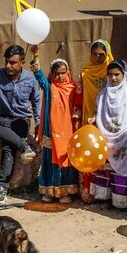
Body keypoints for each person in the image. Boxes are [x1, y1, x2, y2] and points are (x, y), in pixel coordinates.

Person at [0, 45, 42, 206]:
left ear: (22, 62)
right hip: (0, 120)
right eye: (7, 62)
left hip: (20, 122)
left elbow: (36, 101)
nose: (8, 66)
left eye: (13, 62)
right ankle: (24, 146)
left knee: (8, 147)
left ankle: (1, 188)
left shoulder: (30, 79)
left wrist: (38, 124)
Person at [30, 46, 81, 204]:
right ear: (52, 74)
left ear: (67, 72)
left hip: (67, 132)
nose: (60, 76)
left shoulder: (73, 88)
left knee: (65, 161)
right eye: (57, 73)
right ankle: (50, 191)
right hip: (50, 130)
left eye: (63, 73)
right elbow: (38, 76)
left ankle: (65, 191)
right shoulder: (49, 86)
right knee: (50, 161)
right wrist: (36, 55)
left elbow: (78, 107)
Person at [90, 61, 127, 209]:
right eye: (110, 75)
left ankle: (124, 199)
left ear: (123, 75)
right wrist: (94, 119)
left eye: (116, 75)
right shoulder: (102, 94)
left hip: (125, 135)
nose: (113, 78)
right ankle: (108, 197)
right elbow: (98, 112)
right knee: (107, 166)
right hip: (106, 135)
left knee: (126, 163)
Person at [72, 39, 112, 201]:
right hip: (88, 120)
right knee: (90, 152)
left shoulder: (113, 72)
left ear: (107, 54)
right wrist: (77, 120)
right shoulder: (85, 73)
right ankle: (90, 193)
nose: (97, 58)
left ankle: (108, 194)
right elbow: (79, 98)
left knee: (107, 155)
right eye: (94, 54)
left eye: (101, 55)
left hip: (109, 120)